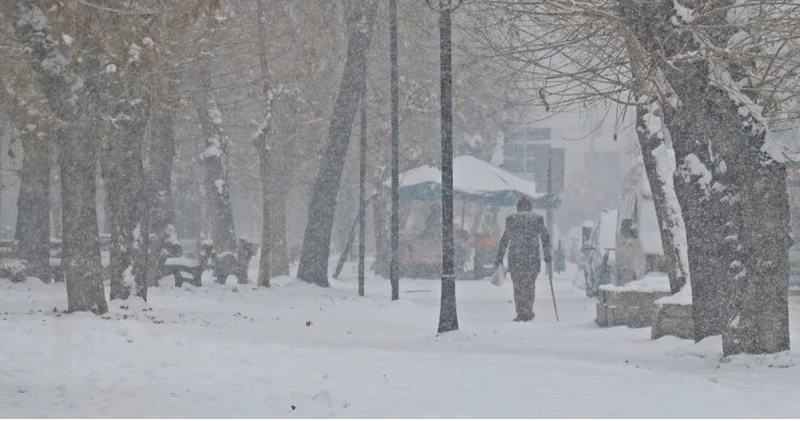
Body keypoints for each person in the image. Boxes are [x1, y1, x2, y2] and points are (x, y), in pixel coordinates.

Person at [495, 197, 552, 322]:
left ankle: (521, 311)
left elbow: (505, 240)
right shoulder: (537, 219)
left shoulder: (512, 219)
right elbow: (545, 238)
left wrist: (499, 257)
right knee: (530, 285)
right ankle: (528, 309)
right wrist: (547, 256)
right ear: (530, 208)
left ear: (518, 208)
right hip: (532, 259)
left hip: (516, 258)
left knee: (518, 286)